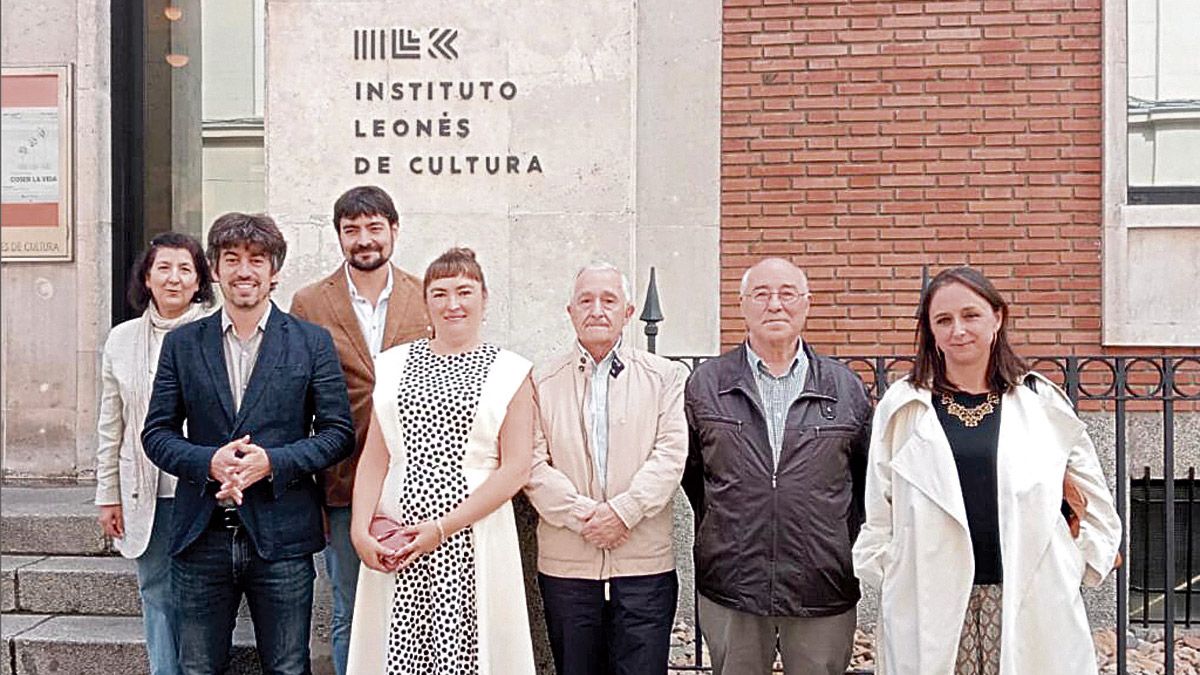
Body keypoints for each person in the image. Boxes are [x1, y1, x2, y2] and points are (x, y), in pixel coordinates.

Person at [851, 266, 1121, 674]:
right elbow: (879, 505)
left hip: (1026, 593)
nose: (958, 329)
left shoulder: (1040, 401)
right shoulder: (904, 405)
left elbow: (1094, 496)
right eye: (943, 320)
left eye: (970, 315)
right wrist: (890, 571)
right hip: (931, 596)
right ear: (930, 331)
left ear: (997, 317)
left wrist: (1072, 566)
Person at [142, 213, 355, 675]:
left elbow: (338, 432)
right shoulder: (182, 344)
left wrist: (273, 462)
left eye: (257, 260)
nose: (244, 271)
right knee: (197, 666)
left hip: (282, 538)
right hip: (201, 535)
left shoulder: (311, 343)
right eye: (232, 259)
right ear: (214, 270)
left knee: (288, 665)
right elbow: (155, 433)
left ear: (274, 271)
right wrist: (208, 462)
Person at [346, 247, 537, 675]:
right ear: (426, 302)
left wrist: (442, 528)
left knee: (471, 651)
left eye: (464, 292)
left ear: (484, 299)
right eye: (440, 293)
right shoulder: (393, 366)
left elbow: (516, 468)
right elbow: (376, 458)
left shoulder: (511, 372)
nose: (453, 304)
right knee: (399, 652)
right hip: (399, 539)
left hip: (475, 533)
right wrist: (360, 530)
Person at [682, 257, 872, 675]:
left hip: (822, 581)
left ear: (806, 304)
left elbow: (864, 484)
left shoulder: (846, 388)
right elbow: (695, 478)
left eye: (787, 294)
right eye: (761, 294)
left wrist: (835, 542)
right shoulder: (706, 385)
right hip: (733, 582)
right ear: (743, 305)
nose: (775, 305)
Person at [289, 185, 430, 675]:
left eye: (374, 228)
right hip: (343, 482)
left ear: (394, 230)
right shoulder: (308, 303)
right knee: (351, 609)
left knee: (419, 614)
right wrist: (314, 496)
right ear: (338, 237)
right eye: (352, 230)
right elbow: (296, 405)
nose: (363, 239)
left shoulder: (425, 295)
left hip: (419, 483)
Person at [524, 262, 688, 675]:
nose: (597, 309)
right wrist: (588, 518)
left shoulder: (666, 377)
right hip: (568, 568)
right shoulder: (540, 381)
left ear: (628, 312)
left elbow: (670, 455)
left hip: (644, 566)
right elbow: (531, 463)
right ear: (570, 311)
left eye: (609, 300)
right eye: (586, 300)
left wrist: (623, 513)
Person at [95, 232, 215, 675]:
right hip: (146, 488)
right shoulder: (122, 340)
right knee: (157, 592)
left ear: (200, 278)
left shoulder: (216, 330)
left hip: (203, 488)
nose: (174, 278)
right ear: (146, 277)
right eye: (163, 268)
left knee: (202, 595)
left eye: (186, 269)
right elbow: (112, 425)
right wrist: (107, 492)